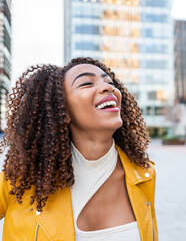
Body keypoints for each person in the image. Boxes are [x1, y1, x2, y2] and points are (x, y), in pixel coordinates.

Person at [0, 57, 158, 241]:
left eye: (109, 82)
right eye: (86, 83)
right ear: (62, 109)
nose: (108, 87)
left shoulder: (144, 175)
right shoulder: (22, 178)